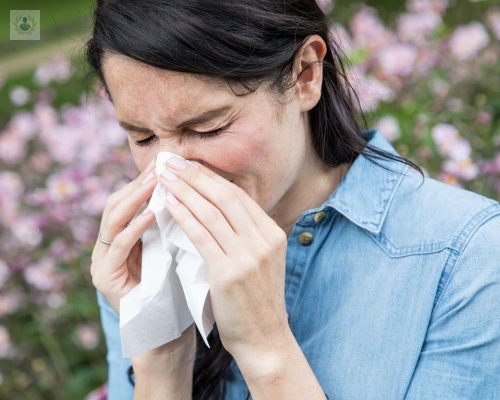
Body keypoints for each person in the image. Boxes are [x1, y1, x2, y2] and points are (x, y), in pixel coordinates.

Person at [85, 1, 500, 399]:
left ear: (305, 75)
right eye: (142, 137)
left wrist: (266, 351)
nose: (169, 170)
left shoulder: (467, 261)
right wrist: (161, 355)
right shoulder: (144, 260)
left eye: (208, 128)